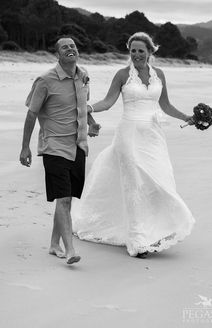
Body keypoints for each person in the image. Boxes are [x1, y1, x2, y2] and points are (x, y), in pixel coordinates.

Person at [71, 32, 195, 258]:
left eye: (141, 50)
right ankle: (138, 241)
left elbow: (165, 105)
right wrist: (88, 108)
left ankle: (156, 230)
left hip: (153, 136)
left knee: (159, 181)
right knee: (135, 184)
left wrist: (187, 117)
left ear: (150, 52)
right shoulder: (122, 75)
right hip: (128, 135)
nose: (136, 55)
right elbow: (108, 102)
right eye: (133, 51)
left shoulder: (159, 75)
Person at [19, 37, 100, 265]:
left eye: (73, 46)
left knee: (67, 199)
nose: (70, 49)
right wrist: (25, 146)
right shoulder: (45, 81)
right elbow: (31, 114)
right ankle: (70, 249)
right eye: (64, 47)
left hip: (78, 146)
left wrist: (91, 123)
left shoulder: (83, 75)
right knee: (63, 199)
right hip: (54, 146)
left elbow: (82, 105)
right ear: (57, 54)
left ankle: (54, 244)